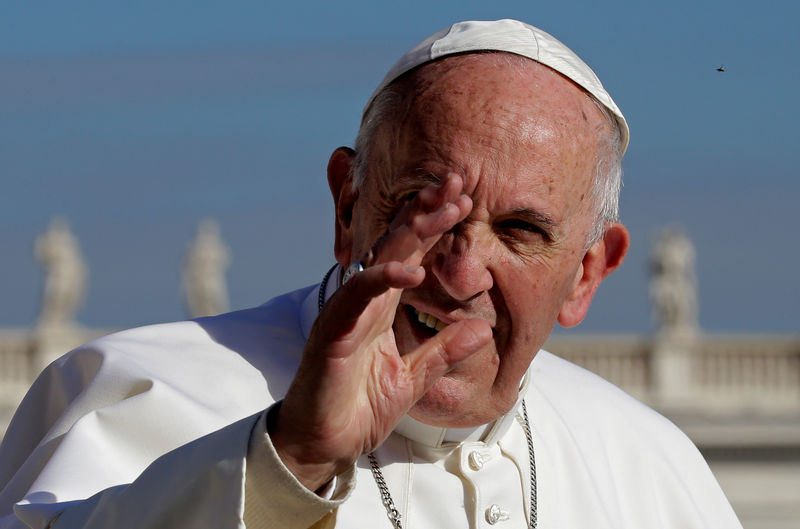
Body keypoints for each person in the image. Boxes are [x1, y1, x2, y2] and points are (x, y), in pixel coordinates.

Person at [0, 19, 741, 529]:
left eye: (519, 231)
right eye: (424, 208)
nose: (458, 271)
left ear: (587, 273)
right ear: (348, 204)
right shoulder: (135, 389)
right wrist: (289, 456)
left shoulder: (654, 467)